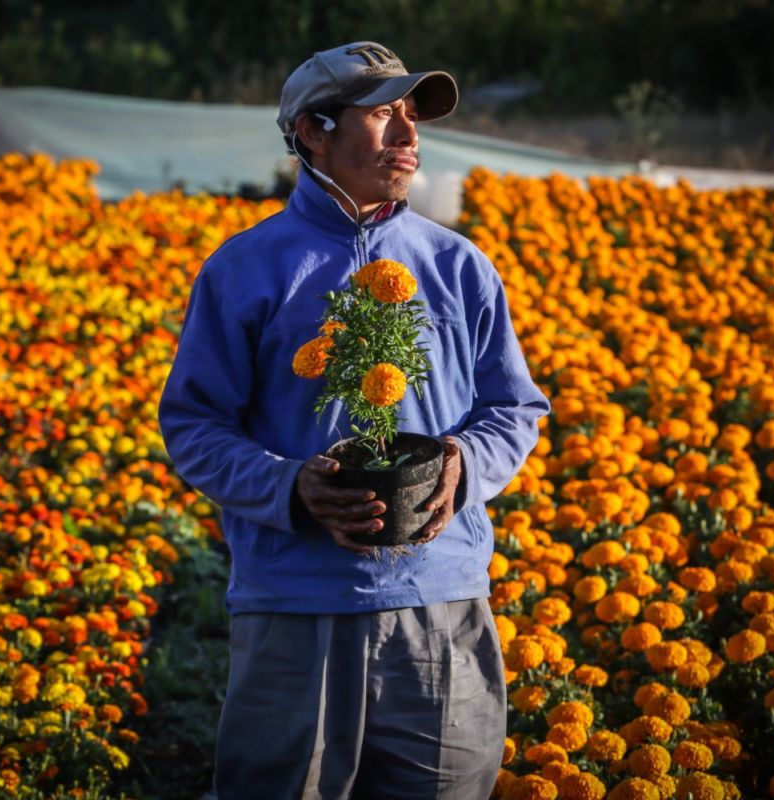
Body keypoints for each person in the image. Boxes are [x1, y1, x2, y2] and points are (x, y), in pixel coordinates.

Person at [158, 40, 551, 800]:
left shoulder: (459, 264)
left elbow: (515, 407)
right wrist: (290, 489)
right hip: (296, 605)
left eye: (413, 117)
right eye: (382, 115)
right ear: (313, 131)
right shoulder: (245, 269)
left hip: (440, 600)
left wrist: (464, 464)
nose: (408, 136)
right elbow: (194, 427)